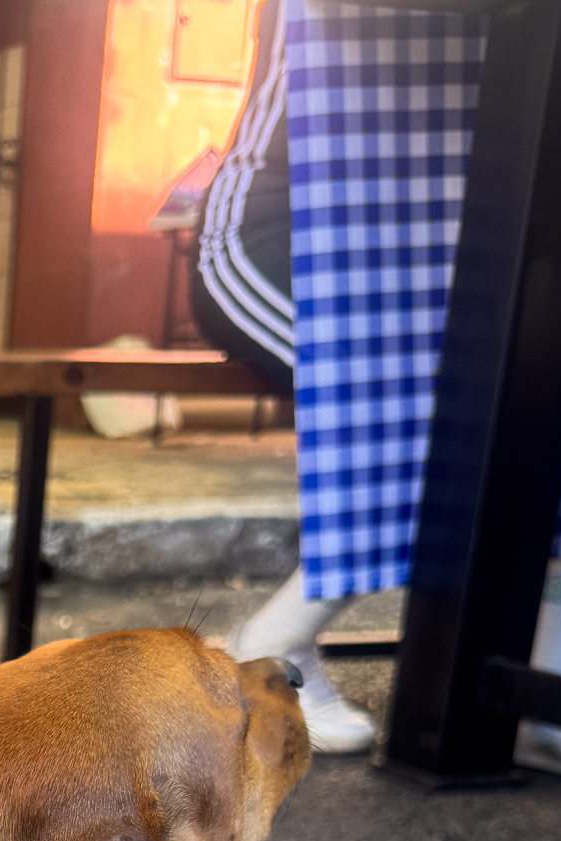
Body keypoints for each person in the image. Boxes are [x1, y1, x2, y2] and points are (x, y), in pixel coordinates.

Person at [188, 0, 375, 754]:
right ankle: (272, 645)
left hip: (390, 253)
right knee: (431, 421)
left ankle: (546, 678)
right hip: (266, 236)